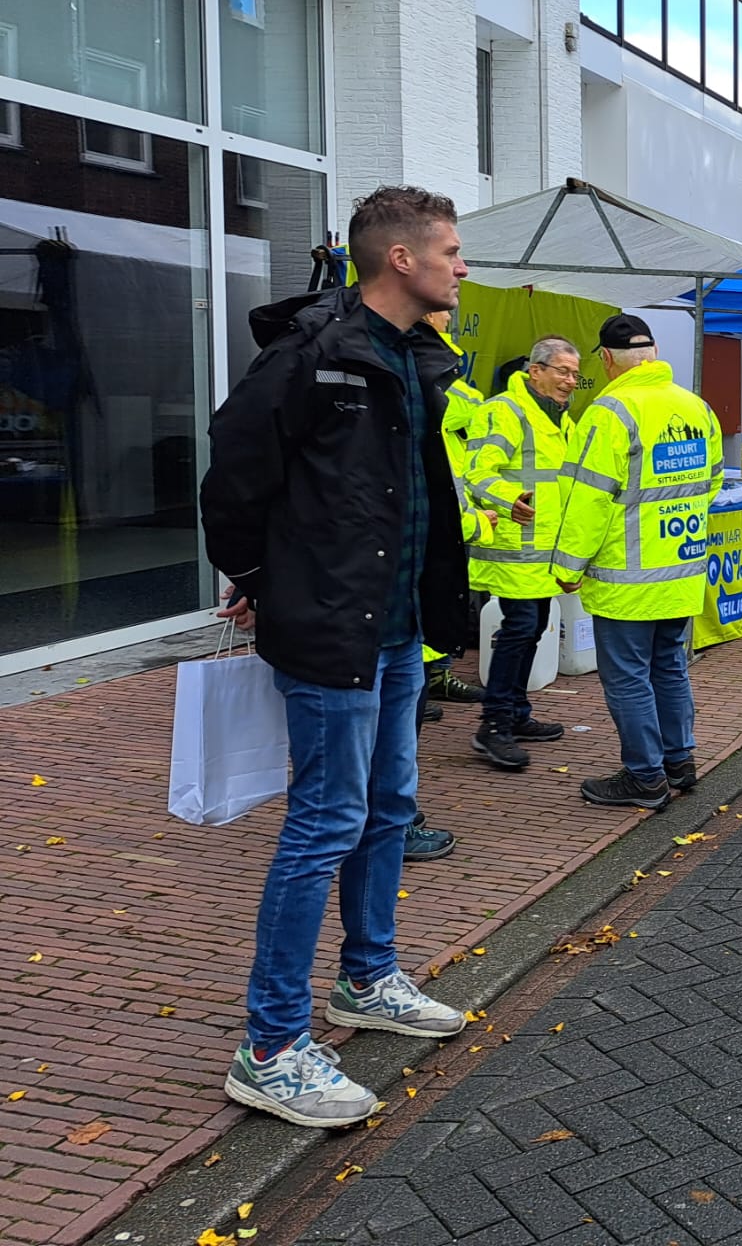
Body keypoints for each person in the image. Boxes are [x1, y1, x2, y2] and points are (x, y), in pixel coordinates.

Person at [202, 186, 471, 1127]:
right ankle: (270, 1047)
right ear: (400, 260)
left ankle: (367, 979)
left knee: (389, 805)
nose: (460, 267)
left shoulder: (413, 355)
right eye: (449, 251)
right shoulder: (315, 355)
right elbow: (234, 467)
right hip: (331, 630)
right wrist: (258, 574)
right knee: (325, 821)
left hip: (394, 630)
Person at [549, 316, 721, 809]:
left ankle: (645, 777)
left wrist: (567, 566)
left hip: (628, 579)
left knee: (627, 676)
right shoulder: (696, 407)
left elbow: (588, 500)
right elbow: (709, 486)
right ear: (654, 352)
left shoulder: (609, 412)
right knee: (669, 667)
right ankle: (678, 762)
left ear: (606, 359)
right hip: (681, 572)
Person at [402, 308, 492, 863]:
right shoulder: (432, 393)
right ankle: (392, 821)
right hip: (392, 594)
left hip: (399, 589)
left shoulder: (441, 393)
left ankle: (380, 819)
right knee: (390, 722)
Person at [466, 337, 581, 770]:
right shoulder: (504, 411)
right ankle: (492, 726)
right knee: (521, 629)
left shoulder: (560, 419)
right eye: (562, 371)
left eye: (574, 373)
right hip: (515, 548)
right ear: (535, 371)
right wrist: (510, 498)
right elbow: (475, 473)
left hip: (544, 553)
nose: (570, 381)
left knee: (534, 628)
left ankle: (515, 714)